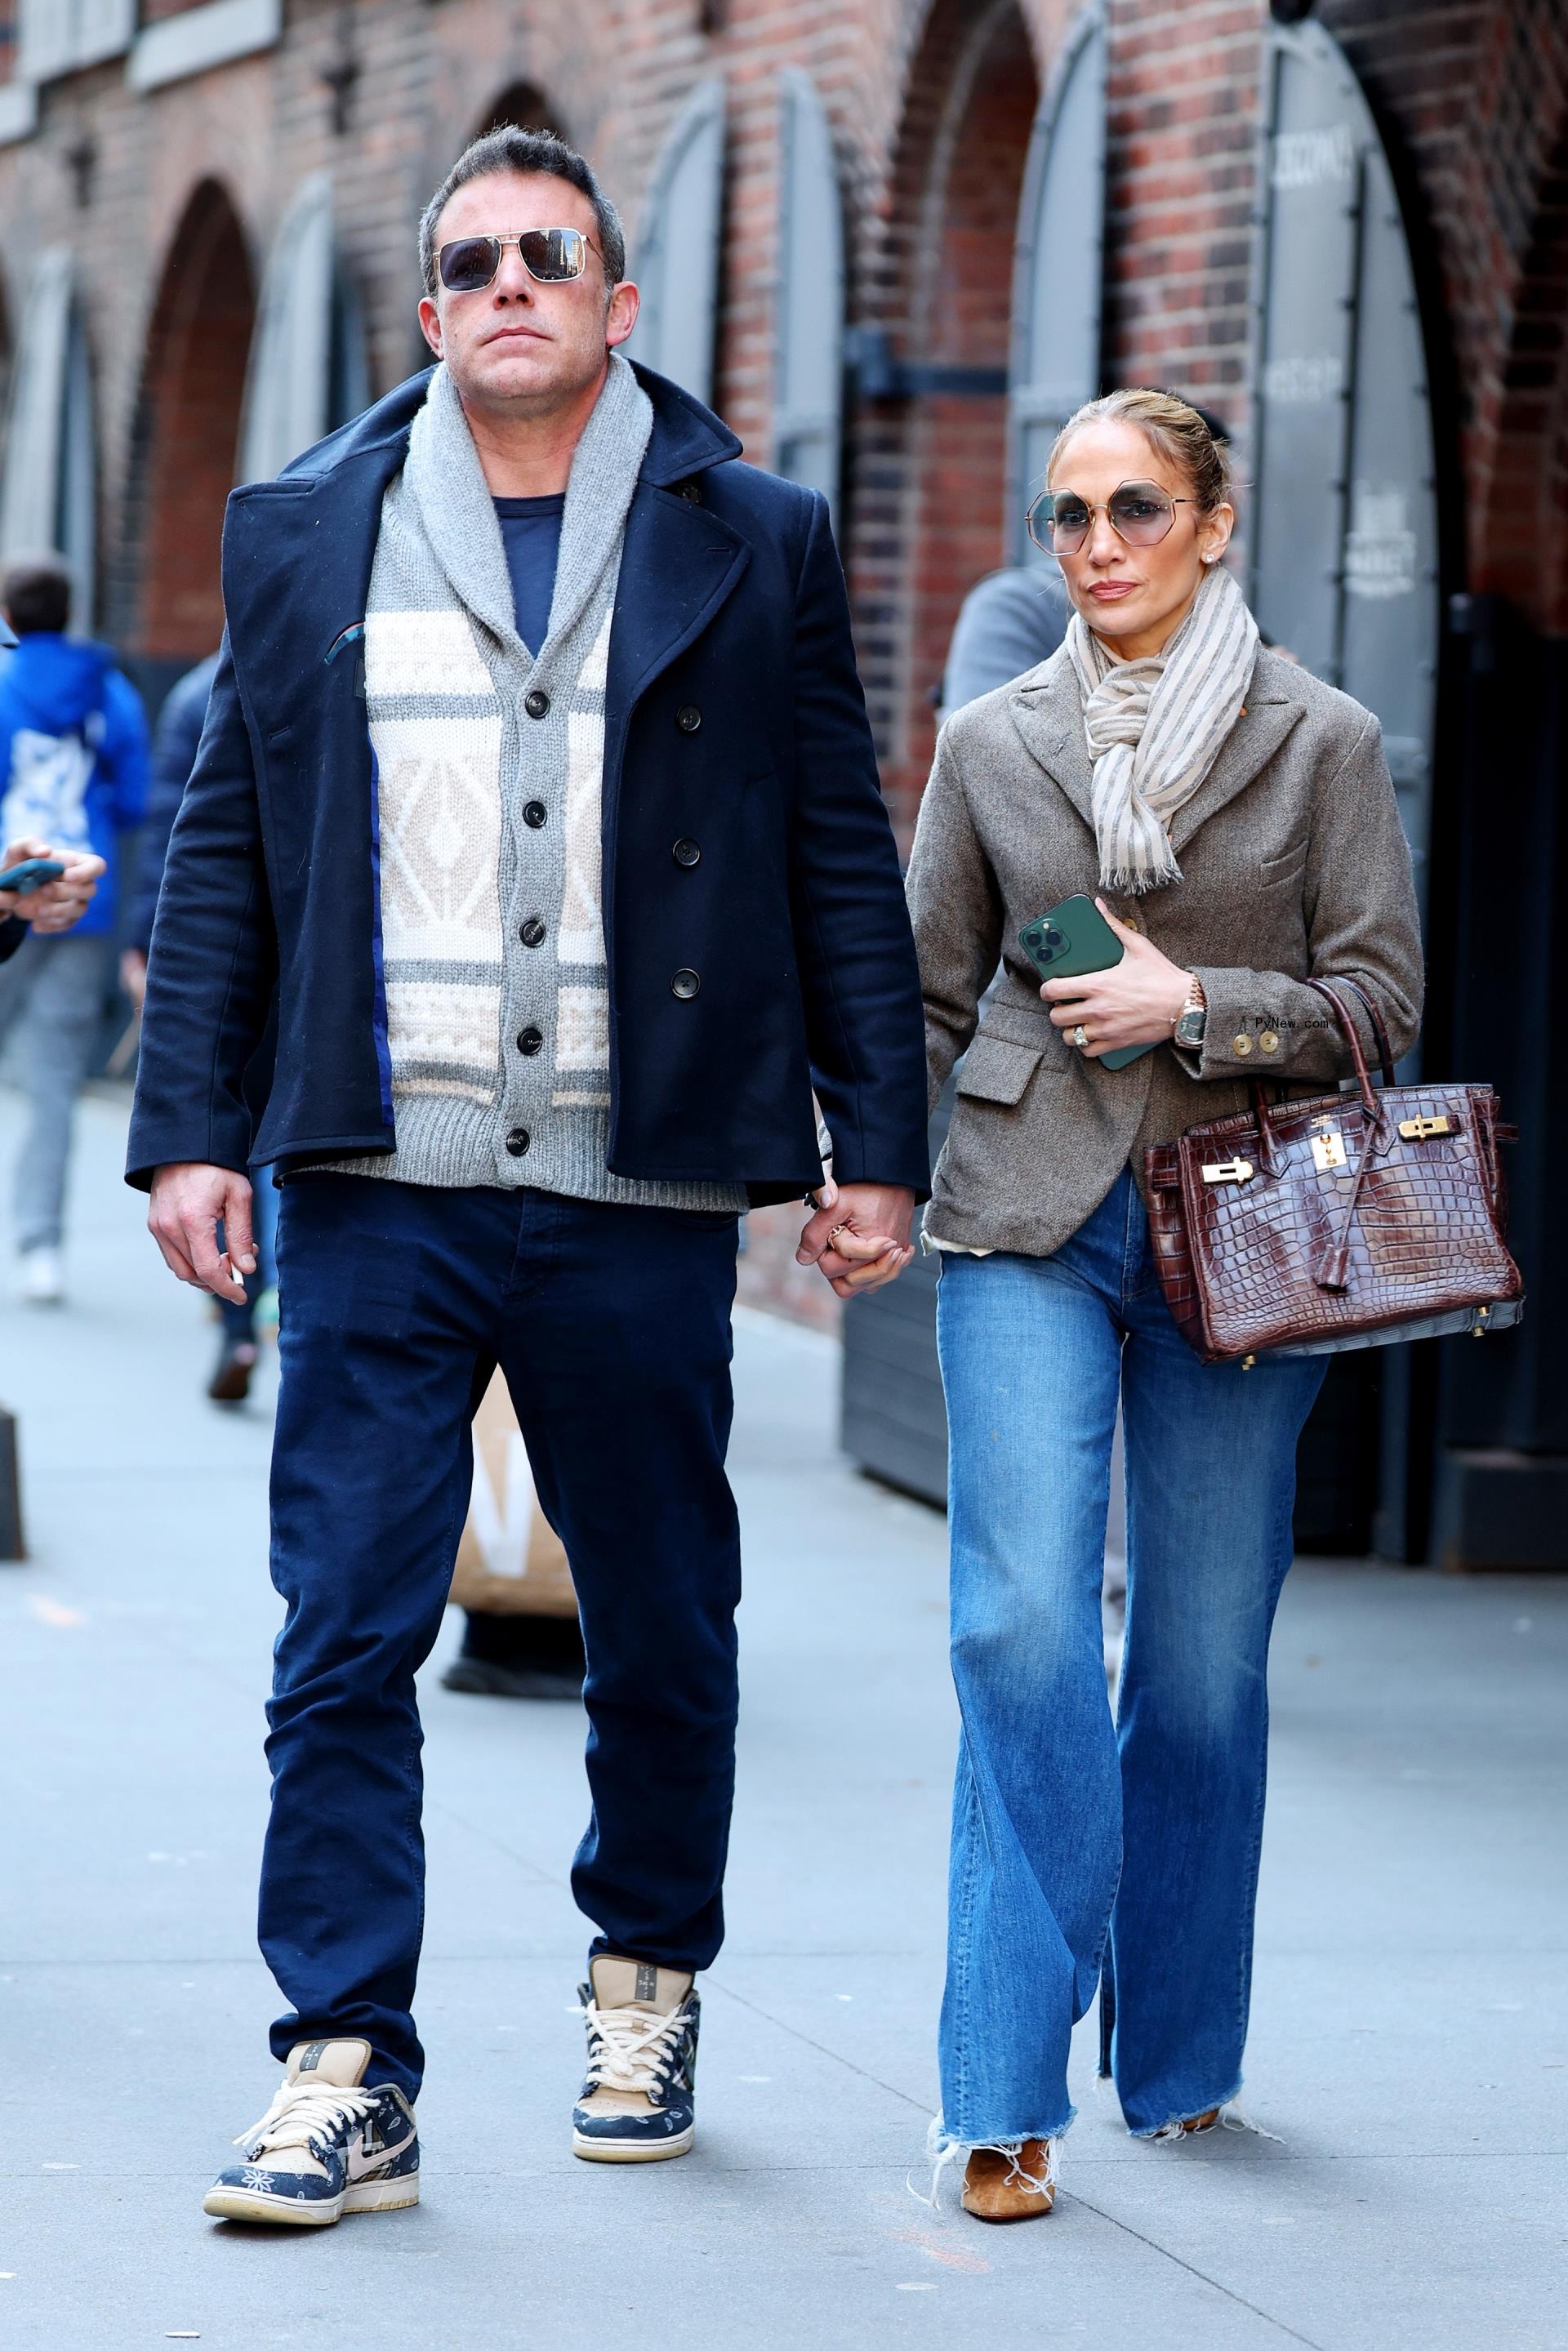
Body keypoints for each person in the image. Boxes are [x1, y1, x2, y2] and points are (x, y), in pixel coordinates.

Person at [127, 125, 928, 2227]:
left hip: (633, 1182)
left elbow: (835, 848)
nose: (508, 285)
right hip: (376, 1172)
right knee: (341, 1628)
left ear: (616, 301)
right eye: (471, 259)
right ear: (428, 309)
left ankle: (646, 1975)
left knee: (660, 1619)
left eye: (546, 256)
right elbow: (228, 844)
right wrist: (191, 1124)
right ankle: (342, 2063)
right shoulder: (304, 527)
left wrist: (875, 1146)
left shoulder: (754, 532)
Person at [906, 390, 1423, 2222]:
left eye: (1134, 507)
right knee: (1019, 1623)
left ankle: (1183, 2050)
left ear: (1214, 520)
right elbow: (927, 984)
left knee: (1200, 1667)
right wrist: (858, 1174)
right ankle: (1000, 2079)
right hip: (1026, 1212)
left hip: (1248, 1231)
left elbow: (1381, 999)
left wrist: (1194, 1005)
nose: (1097, 544)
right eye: (1068, 513)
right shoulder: (993, 739)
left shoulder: (1322, 738)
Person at [121, 650, 278, 1402]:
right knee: (279, 1153)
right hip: (309, 965)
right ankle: (275, 1299)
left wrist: (143, 947)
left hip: (234, 963)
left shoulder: (192, 695)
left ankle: (240, 1319)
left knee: (235, 1144)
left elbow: (172, 833)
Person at [0, 557, 149, 1301]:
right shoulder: (110, 690)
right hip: (83, 894)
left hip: (7, 886)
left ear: (10, 614)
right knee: (55, 1081)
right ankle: (41, 1245)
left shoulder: (3, 682)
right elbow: (135, 798)